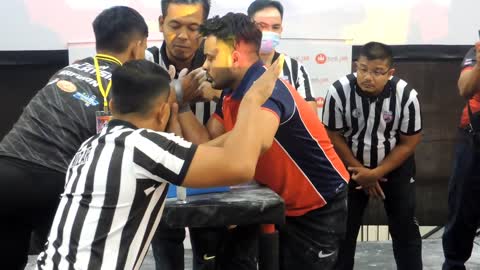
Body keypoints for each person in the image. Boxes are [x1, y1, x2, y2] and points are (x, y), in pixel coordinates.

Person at [36, 58, 282, 269]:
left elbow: (197, 152)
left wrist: (240, 135)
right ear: (163, 112)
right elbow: (240, 167)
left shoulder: (93, 144)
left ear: (112, 106)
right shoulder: (145, 147)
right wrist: (251, 101)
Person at [177, 13, 350, 270]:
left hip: (318, 207)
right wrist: (181, 121)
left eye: (211, 57)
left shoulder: (265, 92)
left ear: (234, 57)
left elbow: (256, 143)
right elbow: (221, 139)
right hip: (280, 206)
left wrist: (183, 160)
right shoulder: (232, 91)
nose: (205, 66)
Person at [0, 6, 148, 269]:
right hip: (54, 180)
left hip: (6, 169)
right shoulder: (128, 84)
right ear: (137, 47)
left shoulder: (67, 71)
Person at [322, 42, 423, 270]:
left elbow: (409, 143)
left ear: (390, 73)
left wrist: (375, 173)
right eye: (363, 69)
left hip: (394, 168)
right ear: (356, 65)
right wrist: (361, 172)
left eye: (377, 72)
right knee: (343, 234)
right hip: (349, 169)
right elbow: (332, 135)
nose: (369, 77)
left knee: (405, 231)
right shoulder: (338, 91)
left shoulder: (406, 95)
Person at [144, 1, 225, 269]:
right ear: (160, 24)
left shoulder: (217, 62)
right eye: (174, 25)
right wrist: (178, 94)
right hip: (159, 176)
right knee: (167, 258)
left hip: (209, 177)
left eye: (193, 28)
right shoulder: (144, 63)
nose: (183, 36)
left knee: (209, 257)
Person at [442, 41, 480, 270]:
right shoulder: (475, 53)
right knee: (462, 209)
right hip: (474, 139)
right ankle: (454, 264)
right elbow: (465, 89)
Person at [247, 0, 317, 113]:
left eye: (275, 27)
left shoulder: (295, 68)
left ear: (281, 30)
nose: (268, 32)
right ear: (248, 27)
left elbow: (309, 115)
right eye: (261, 26)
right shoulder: (236, 66)